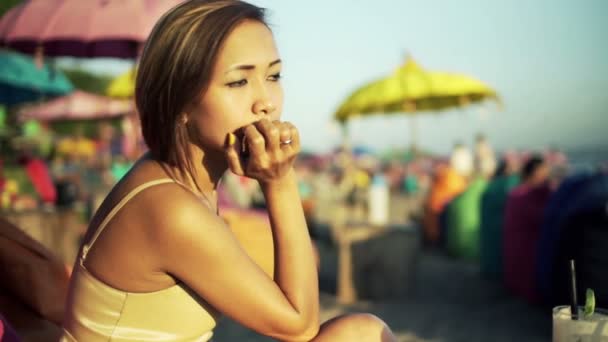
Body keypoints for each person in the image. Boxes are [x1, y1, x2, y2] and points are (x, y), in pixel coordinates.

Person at [61, 1, 395, 341]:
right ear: (181, 103)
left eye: (273, 76)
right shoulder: (169, 208)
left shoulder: (179, 181)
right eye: (238, 82)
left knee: (361, 332)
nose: (265, 101)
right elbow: (300, 324)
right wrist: (280, 183)